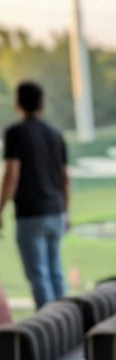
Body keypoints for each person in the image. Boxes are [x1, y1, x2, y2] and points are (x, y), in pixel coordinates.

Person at [0, 81, 69, 308]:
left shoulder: (15, 133)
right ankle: (67, 323)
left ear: (18, 103)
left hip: (30, 214)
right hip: (55, 210)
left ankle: (50, 330)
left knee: (38, 275)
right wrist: (65, 212)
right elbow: (64, 178)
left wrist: (0, 208)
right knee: (56, 272)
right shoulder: (54, 134)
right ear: (42, 104)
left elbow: (12, 175)